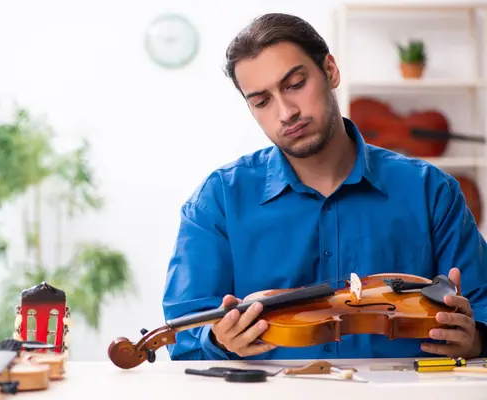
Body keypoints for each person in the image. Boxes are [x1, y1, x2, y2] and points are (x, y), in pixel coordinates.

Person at [161, 12, 487, 362]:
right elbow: (182, 334)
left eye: (295, 84)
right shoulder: (218, 200)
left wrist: (477, 339)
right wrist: (218, 340)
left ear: (330, 70)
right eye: (261, 101)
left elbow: (482, 307)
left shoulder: (432, 191)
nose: (285, 112)